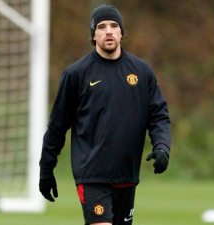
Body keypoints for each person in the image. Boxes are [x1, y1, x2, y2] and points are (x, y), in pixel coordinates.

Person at [39, 3, 172, 225]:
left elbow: (158, 115)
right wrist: (46, 170)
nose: (108, 31)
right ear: (93, 35)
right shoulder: (76, 74)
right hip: (92, 175)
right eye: (101, 27)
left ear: (122, 32)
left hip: (127, 175)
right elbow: (57, 127)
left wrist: (162, 146)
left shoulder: (141, 72)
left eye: (113, 25)